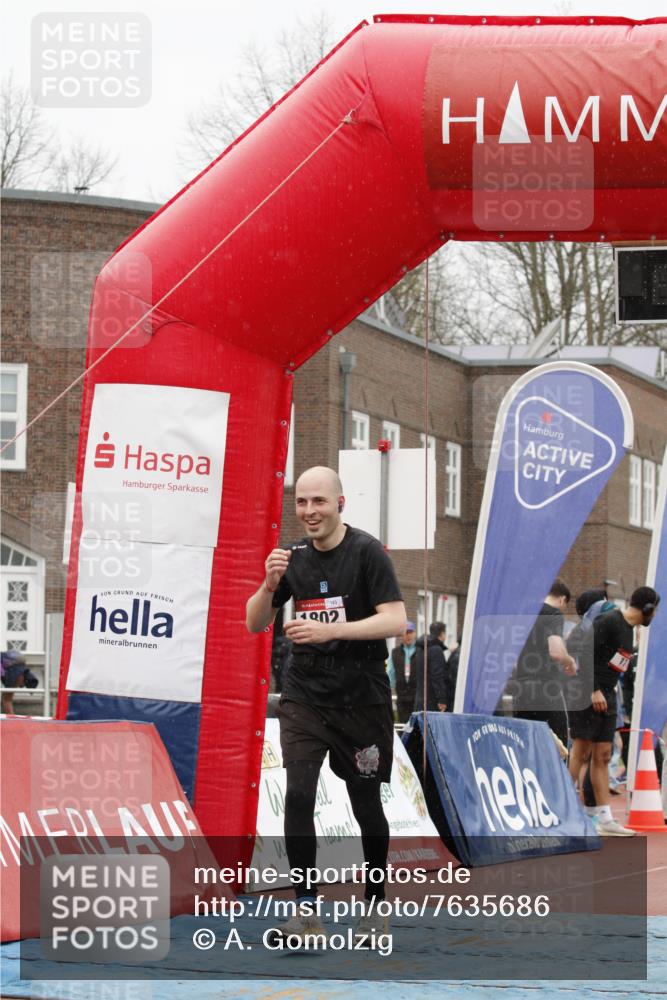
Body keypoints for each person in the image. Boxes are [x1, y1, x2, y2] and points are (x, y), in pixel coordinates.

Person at [246, 466, 406, 944]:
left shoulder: (366, 552)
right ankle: (306, 910)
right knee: (297, 794)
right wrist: (270, 586)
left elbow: (396, 620)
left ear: (340, 503)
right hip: (306, 694)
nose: (310, 512)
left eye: (319, 502)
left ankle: (375, 904)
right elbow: (255, 623)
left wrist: (329, 630)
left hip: (361, 696)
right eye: (301, 503)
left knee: (365, 802)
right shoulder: (291, 557)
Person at [568, 586, 660, 836]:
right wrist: (594, 689)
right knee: (581, 749)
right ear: (648, 609)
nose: (655, 615)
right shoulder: (609, 620)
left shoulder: (629, 631)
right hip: (588, 691)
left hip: (608, 696)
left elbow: (615, 664)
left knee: (604, 755)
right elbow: (584, 653)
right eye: (655, 610)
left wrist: (607, 693)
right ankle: (564, 810)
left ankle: (604, 817)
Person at [507, 578, 577, 746]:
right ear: (561, 599)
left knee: (524, 746)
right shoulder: (553, 614)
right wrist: (570, 661)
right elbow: (556, 652)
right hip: (546, 688)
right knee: (557, 747)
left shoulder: (522, 613)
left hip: (521, 688)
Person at [412, 622, 449, 713]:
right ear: (442, 633)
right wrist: (442, 699)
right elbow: (437, 676)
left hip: (420, 698)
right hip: (432, 701)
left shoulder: (421, 649)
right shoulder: (436, 650)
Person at [390, 621, 417, 722]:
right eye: (405, 632)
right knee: (403, 726)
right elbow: (391, 673)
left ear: (414, 633)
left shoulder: (421, 650)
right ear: (401, 635)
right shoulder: (395, 652)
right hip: (402, 696)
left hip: (417, 696)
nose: (408, 635)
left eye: (410, 632)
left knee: (416, 727)